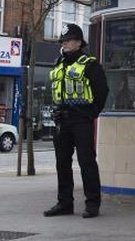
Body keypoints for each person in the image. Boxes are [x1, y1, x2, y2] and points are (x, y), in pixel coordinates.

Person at [43, 23, 108, 219]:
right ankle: (64, 203)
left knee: (86, 162)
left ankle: (92, 204)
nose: (65, 43)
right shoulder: (59, 63)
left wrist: (91, 113)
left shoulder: (90, 64)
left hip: (81, 120)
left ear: (79, 42)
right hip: (62, 120)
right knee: (62, 163)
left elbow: (102, 91)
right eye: (63, 40)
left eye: (68, 40)